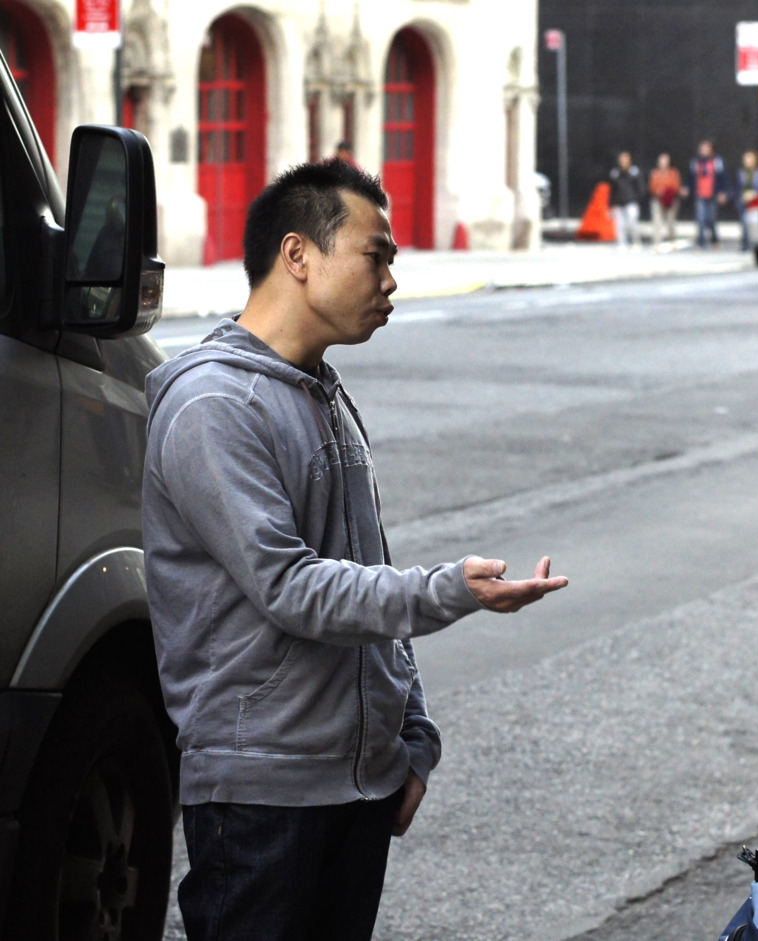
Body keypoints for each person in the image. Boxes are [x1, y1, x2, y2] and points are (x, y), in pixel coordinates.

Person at [142, 159, 568, 941]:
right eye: (377, 256)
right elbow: (294, 588)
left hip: (356, 789)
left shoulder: (319, 388)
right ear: (298, 255)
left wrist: (413, 738)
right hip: (262, 796)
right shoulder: (213, 404)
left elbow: (364, 566)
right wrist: (454, 589)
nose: (393, 280)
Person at [690, 140, 728, 248]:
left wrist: (723, 192)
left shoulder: (717, 162)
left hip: (713, 194)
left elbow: (723, 177)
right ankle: (701, 241)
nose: (704, 151)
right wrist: (687, 187)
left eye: (706, 148)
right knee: (700, 218)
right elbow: (691, 176)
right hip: (700, 193)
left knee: (711, 219)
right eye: (702, 148)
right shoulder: (696, 162)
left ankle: (714, 238)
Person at [608, 150, 644, 248]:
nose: (624, 161)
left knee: (632, 222)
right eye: (622, 159)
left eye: (626, 159)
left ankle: (635, 241)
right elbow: (612, 190)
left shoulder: (634, 172)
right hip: (619, 203)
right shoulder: (615, 173)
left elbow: (640, 187)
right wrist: (611, 204)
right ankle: (622, 242)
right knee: (620, 225)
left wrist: (637, 198)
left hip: (631, 202)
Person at [648, 152, 682, 247]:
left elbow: (676, 186)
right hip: (658, 201)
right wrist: (658, 191)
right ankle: (657, 242)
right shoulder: (655, 173)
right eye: (661, 161)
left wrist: (668, 191)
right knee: (657, 222)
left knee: (671, 222)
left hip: (670, 200)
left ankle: (673, 240)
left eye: (665, 161)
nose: (663, 164)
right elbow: (651, 186)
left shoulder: (673, 173)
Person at [735, 150, 758, 252]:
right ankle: (744, 243)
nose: (747, 161)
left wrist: (754, 194)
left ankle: (754, 244)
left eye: (750, 158)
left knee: (755, 224)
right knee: (743, 223)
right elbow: (737, 187)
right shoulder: (741, 172)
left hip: (755, 201)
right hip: (743, 200)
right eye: (746, 158)